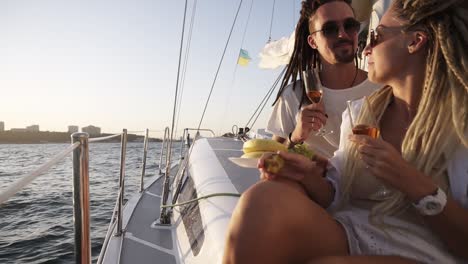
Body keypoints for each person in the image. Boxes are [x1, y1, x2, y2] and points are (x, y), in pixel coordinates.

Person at [223, 0, 468, 263]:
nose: (366, 45)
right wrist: (308, 173)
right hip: (351, 230)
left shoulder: (459, 125)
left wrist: (412, 182)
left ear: (415, 41)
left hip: (425, 248)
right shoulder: (361, 111)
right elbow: (337, 188)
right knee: (260, 201)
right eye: (329, 29)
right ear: (313, 42)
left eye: (375, 35)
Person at [267, 0, 379, 158]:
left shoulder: (381, 89)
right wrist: (295, 137)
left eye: (349, 25)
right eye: (330, 29)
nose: (342, 34)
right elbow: (268, 163)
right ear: (313, 42)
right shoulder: (293, 95)